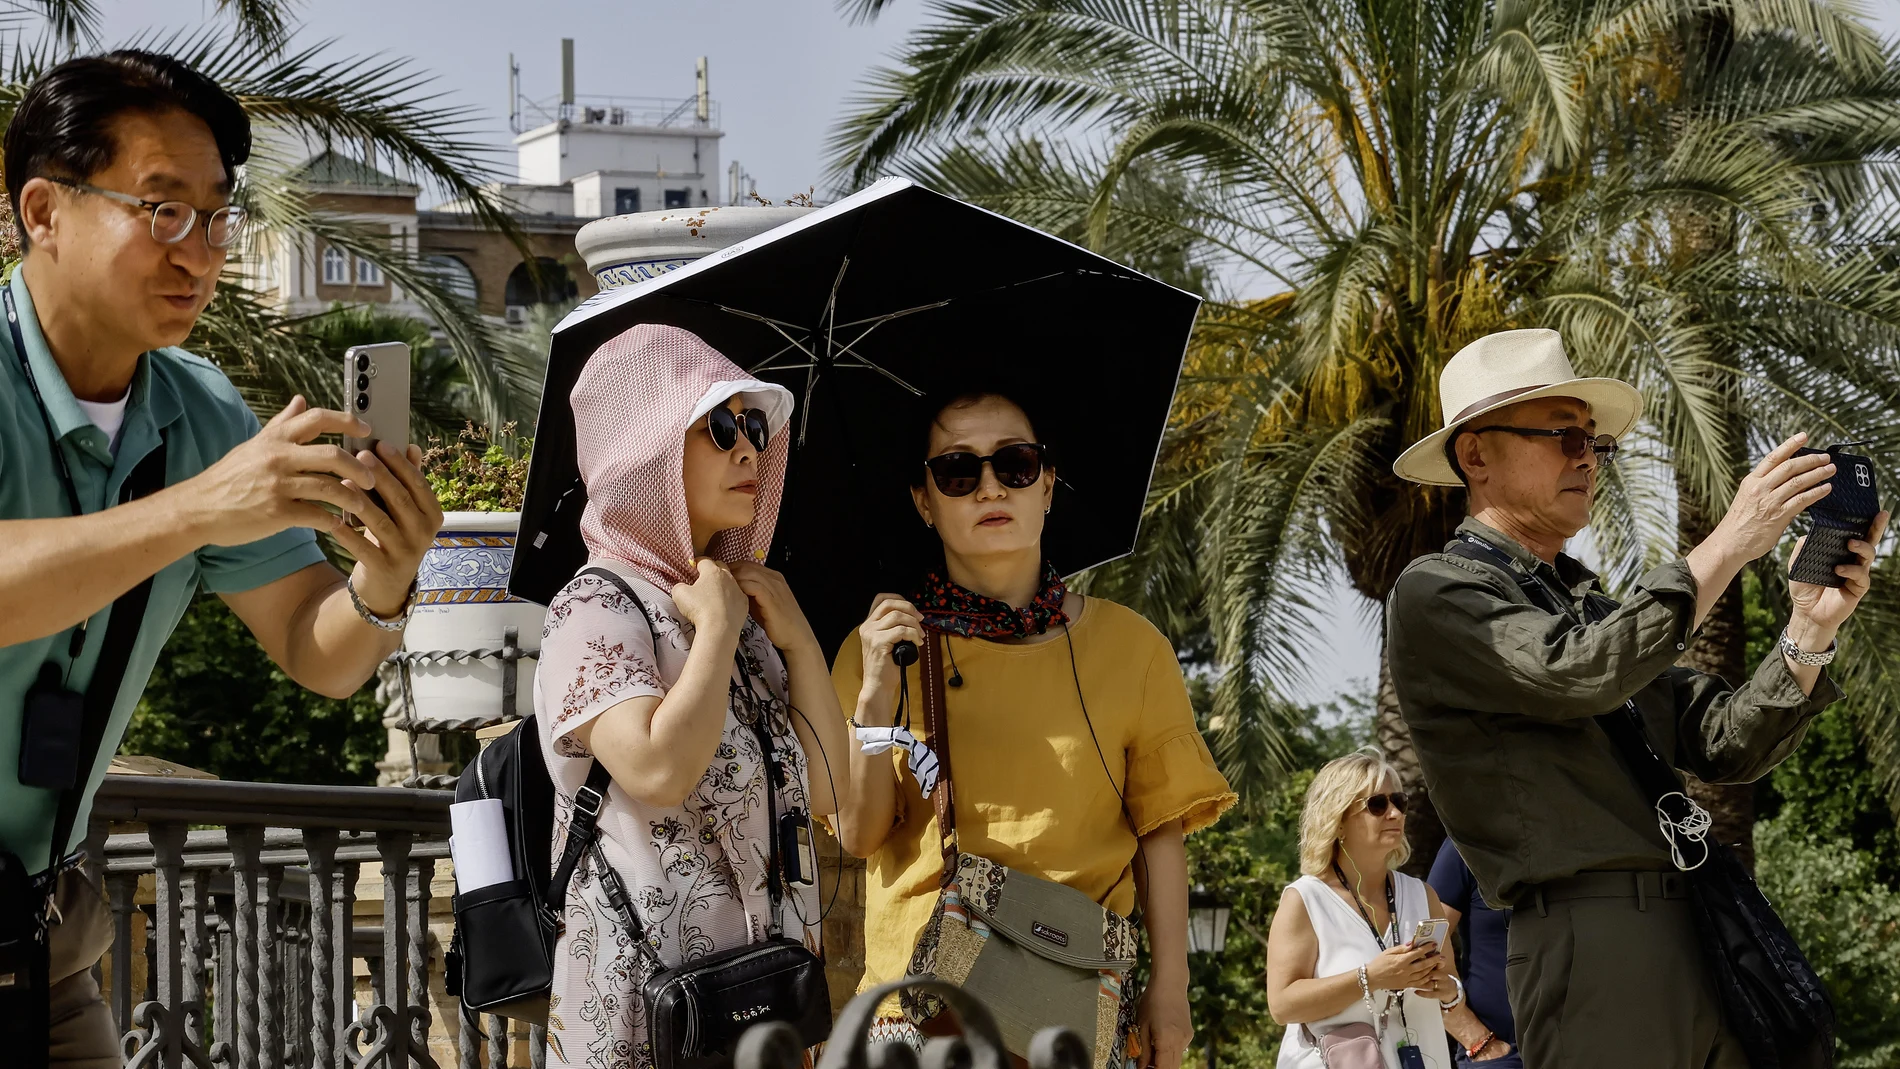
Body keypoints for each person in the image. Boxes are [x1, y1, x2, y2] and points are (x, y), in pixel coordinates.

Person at [0, 51, 443, 1065]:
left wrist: (383, 578)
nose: (196, 251)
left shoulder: (198, 410)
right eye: (159, 209)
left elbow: (315, 650)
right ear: (43, 209)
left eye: (215, 215)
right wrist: (197, 509)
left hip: (46, 951)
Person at [1385, 328, 1884, 1069]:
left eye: (1595, 443)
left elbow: (1723, 742)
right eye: (1561, 435)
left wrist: (1810, 628)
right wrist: (1731, 542)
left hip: (1697, 921)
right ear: (1476, 454)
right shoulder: (1438, 589)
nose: (1587, 456)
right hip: (1592, 934)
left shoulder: (1584, 602)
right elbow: (1579, 671)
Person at [828, 387, 1236, 1067]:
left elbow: (1158, 829)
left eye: (1014, 464)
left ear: (1047, 484)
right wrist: (875, 693)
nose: (990, 486)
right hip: (921, 1013)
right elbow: (861, 832)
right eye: (958, 472)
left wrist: (1172, 987)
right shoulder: (881, 647)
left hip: (1076, 1003)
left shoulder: (1133, 648)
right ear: (924, 500)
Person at [535, 323, 850, 1067]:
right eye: (718, 426)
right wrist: (713, 631)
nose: (748, 448)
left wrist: (798, 639)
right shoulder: (593, 605)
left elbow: (829, 776)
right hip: (645, 1014)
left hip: (761, 1003)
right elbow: (655, 770)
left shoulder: (740, 608)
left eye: (753, 425)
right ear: (645, 445)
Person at [1266, 750, 1457, 1069]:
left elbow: (1450, 983)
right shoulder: (1306, 899)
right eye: (1377, 805)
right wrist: (1372, 977)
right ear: (1337, 821)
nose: (1394, 813)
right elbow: (1282, 1005)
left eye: (1399, 801)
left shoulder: (1422, 895)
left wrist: (1447, 987)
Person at [1425, 839, 1517, 1065]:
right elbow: (1423, 952)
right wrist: (1474, 1037)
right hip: (1501, 1053)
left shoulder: (1573, 836)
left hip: (1581, 1046)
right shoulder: (1467, 842)